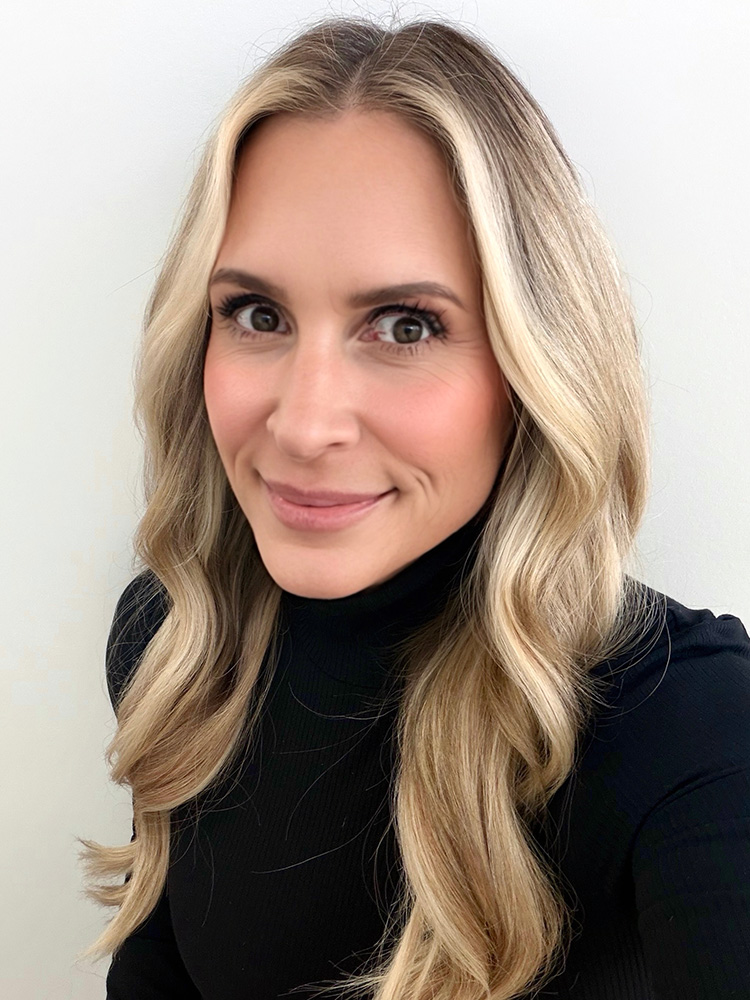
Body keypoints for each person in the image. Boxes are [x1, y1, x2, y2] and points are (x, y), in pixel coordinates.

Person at [78, 15, 750, 1000]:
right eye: (257, 314)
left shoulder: (687, 728)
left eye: (405, 325)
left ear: (534, 369)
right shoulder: (177, 645)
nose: (305, 425)